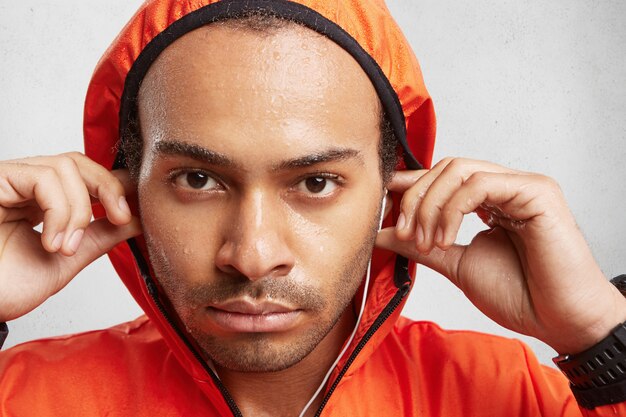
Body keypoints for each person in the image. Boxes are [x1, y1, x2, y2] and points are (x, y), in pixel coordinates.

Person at [0, 0, 625, 416]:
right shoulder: (23, 397)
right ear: (124, 186)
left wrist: (602, 336)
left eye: (316, 183)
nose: (252, 256)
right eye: (198, 178)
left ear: (392, 189)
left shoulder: (513, 394)